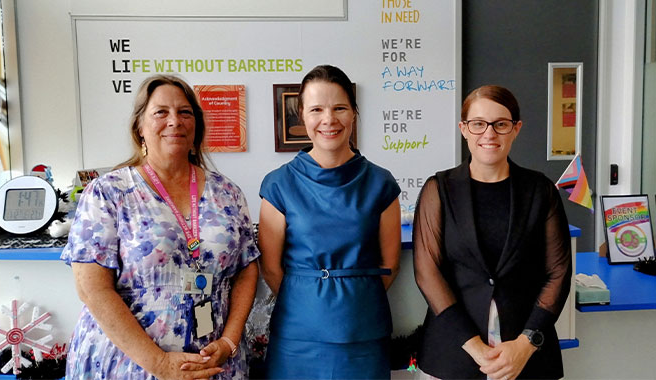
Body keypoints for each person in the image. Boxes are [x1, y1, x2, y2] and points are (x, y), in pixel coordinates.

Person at [61, 74, 260, 380]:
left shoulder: (227, 193)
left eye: (185, 112)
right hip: (128, 365)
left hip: (214, 365)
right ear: (139, 127)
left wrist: (230, 341)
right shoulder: (108, 192)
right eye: (160, 112)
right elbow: (92, 288)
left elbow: (246, 268)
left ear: (196, 126)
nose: (174, 121)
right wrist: (159, 364)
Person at [413, 85, 572, 379]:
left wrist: (525, 344)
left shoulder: (540, 191)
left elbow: (559, 272)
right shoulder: (439, 190)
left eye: (501, 124)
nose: (489, 134)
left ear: (516, 129)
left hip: (527, 357)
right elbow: (427, 272)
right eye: (478, 124)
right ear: (464, 129)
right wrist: (475, 347)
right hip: (452, 355)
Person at [258, 64, 401, 379]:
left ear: (354, 113)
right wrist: (309, 298)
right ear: (302, 117)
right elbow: (270, 268)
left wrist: (353, 298)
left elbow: (390, 264)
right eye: (316, 109)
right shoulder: (279, 184)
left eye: (339, 108)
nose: (328, 119)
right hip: (298, 334)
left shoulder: (381, 183)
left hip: (363, 332)